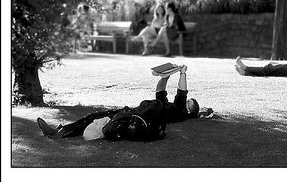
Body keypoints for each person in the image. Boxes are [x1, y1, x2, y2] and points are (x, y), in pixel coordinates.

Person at [36, 65, 201, 141]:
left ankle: (60, 133)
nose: (187, 100)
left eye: (189, 102)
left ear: (189, 110)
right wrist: (165, 76)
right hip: (132, 112)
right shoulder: (167, 107)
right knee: (94, 116)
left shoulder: (179, 112)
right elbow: (160, 92)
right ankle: (60, 130)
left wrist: (183, 74)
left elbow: (181, 93)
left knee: (96, 120)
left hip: (134, 116)